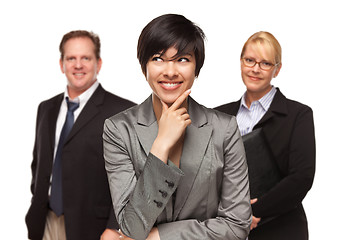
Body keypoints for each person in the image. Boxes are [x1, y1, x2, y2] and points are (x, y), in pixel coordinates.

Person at [103, 14, 252, 240]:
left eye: (182, 59)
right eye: (158, 58)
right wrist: (161, 144)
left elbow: (237, 226)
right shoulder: (119, 130)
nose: (170, 71)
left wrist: (159, 236)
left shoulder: (225, 129)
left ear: (196, 67)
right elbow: (131, 227)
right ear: (144, 66)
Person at [25, 30, 135, 240]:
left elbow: (132, 177)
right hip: (44, 222)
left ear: (98, 64)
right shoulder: (46, 108)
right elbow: (38, 163)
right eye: (71, 58)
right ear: (62, 64)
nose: (78, 65)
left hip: (94, 227)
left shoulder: (122, 112)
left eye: (86, 58)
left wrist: (114, 227)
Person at [215, 31, 315, 240]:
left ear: (277, 69)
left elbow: (301, 177)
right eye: (249, 60)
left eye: (265, 64)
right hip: (225, 229)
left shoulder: (298, 115)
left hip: (280, 230)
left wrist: (255, 211)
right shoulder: (218, 115)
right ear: (241, 62)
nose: (255, 69)